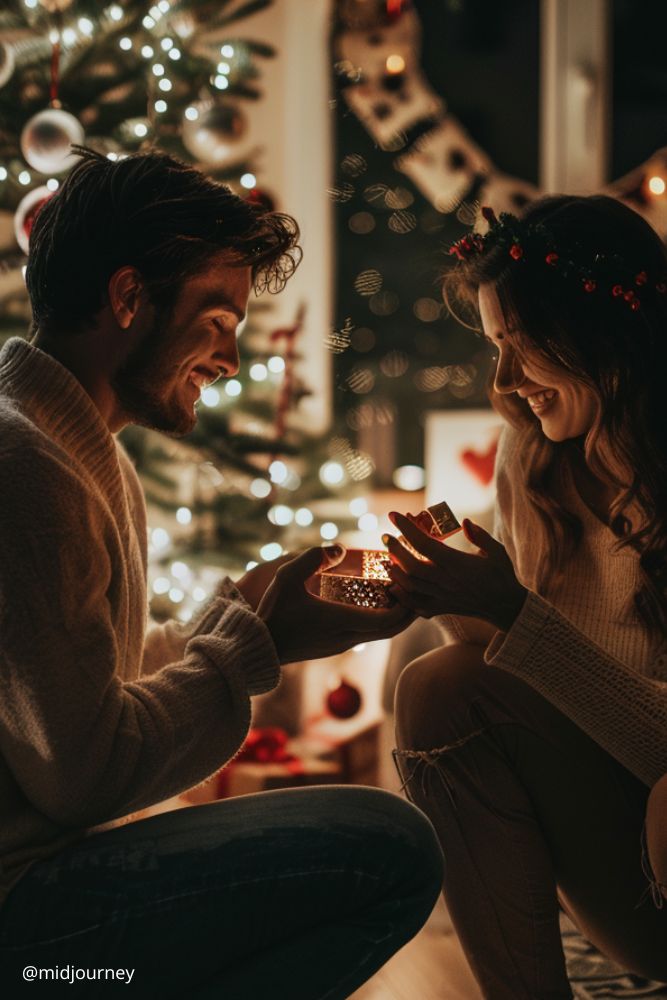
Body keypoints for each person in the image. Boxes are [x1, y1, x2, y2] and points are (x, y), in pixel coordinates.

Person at [0, 146, 444, 998]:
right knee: (390, 849)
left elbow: (90, 687)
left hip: (36, 886)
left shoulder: (68, 449)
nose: (231, 359)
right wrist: (252, 646)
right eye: (217, 320)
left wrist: (239, 612)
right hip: (23, 932)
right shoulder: (27, 472)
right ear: (129, 298)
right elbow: (84, 773)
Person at [386, 194, 667, 998]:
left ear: (607, 335)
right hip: (625, 857)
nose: (507, 381)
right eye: (494, 347)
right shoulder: (533, 456)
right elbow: (521, 684)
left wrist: (513, 615)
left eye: (524, 345)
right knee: (435, 685)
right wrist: (441, 597)